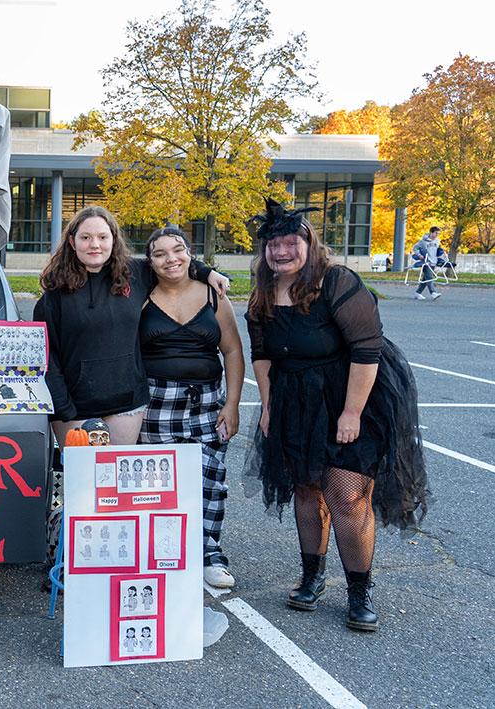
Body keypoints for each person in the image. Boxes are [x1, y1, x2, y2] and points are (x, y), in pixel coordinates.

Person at [244, 199, 431, 632]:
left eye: (292, 243)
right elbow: (262, 355)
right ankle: (312, 577)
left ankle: (359, 590)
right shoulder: (263, 292)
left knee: (347, 497)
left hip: (347, 395)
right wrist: (268, 407)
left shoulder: (337, 281)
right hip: (293, 399)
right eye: (274, 244)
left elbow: (368, 350)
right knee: (308, 491)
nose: (282, 251)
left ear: (309, 244)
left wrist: (351, 413)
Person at [35, 205, 229, 446]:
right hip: (75, 409)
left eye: (102, 237)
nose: (95, 244)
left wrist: (209, 273)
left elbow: (171, 263)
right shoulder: (55, 293)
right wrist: (64, 408)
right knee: (83, 481)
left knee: (118, 481)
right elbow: (46, 356)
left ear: (113, 240)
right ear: (73, 243)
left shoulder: (134, 274)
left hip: (127, 406)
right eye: (86, 238)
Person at [137, 227, 246, 589]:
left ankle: (208, 554)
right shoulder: (140, 294)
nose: (171, 259)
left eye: (179, 250)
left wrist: (231, 404)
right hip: (155, 404)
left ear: (190, 253)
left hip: (206, 403)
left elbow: (232, 351)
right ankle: (160, 552)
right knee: (156, 483)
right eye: (160, 253)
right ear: (149, 261)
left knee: (208, 480)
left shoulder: (214, 296)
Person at [411, 227, 444, 300]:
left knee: (425, 279)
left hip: (434, 262)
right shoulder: (423, 241)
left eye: (438, 233)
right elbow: (415, 247)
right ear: (431, 232)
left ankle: (417, 293)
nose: (437, 235)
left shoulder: (437, 241)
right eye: (436, 233)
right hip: (426, 262)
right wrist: (419, 255)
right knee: (429, 278)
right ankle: (433, 293)